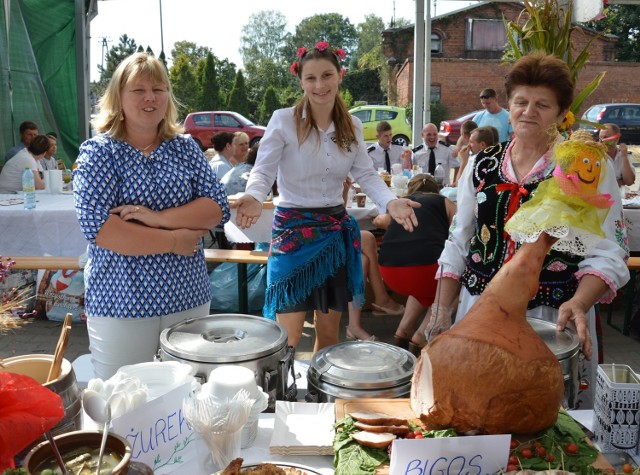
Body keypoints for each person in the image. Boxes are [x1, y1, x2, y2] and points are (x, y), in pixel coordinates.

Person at [428, 53, 629, 409]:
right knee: (477, 409)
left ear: (561, 111)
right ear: (508, 105)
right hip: (479, 311)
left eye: (542, 105)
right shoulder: (482, 163)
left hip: (553, 317)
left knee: (545, 421)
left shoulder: (586, 167)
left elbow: (609, 250)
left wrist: (580, 304)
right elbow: (460, 238)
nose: (528, 112)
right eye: (521, 102)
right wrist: (442, 308)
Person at [232, 41, 420, 353]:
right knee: (287, 340)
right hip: (292, 233)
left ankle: (322, 398)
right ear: (301, 81)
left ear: (339, 76)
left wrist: (390, 201)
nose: (320, 85)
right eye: (311, 78)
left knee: (330, 336)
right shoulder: (283, 120)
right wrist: (253, 194)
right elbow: (263, 171)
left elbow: (366, 174)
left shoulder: (353, 125)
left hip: (333, 233)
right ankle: (284, 398)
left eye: (327, 75)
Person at [73, 52, 230, 379]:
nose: (150, 97)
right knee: (123, 400)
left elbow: (216, 208)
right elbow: (101, 228)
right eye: (138, 89)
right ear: (118, 96)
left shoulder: (185, 148)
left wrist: (156, 219)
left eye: (158, 89)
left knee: (186, 399)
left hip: (187, 296)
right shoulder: (101, 151)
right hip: (121, 303)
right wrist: (174, 240)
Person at [370, 174, 455, 355]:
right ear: (436, 191)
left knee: (424, 290)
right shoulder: (445, 202)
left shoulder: (400, 203)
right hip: (425, 269)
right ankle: (421, 336)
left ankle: (403, 330)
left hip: (389, 271)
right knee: (453, 283)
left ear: (410, 191)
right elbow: (460, 229)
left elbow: (378, 221)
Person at [345, 229, 406, 341]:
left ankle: (354, 326)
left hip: (324, 229)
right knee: (367, 239)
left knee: (362, 261)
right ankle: (382, 299)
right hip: (311, 238)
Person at [599, 123, 635, 188]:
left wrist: (624, 157)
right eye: (600, 138)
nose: (601, 141)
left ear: (616, 138)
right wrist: (620, 181)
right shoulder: (596, 155)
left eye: (605, 137)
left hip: (619, 195)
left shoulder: (624, 154)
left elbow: (629, 182)